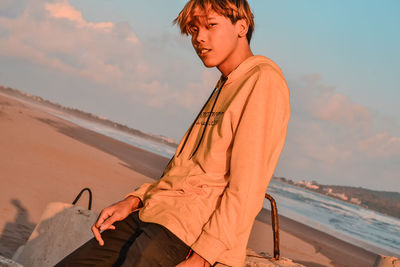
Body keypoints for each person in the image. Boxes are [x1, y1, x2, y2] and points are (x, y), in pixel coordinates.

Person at [56, 0, 290, 266]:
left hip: (189, 232)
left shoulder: (262, 81)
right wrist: (134, 200)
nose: (200, 38)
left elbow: (247, 188)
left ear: (242, 27)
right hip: (156, 212)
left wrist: (202, 258)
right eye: (193, 30)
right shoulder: (225, 84)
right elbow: (184, 170)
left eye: (210, 25)